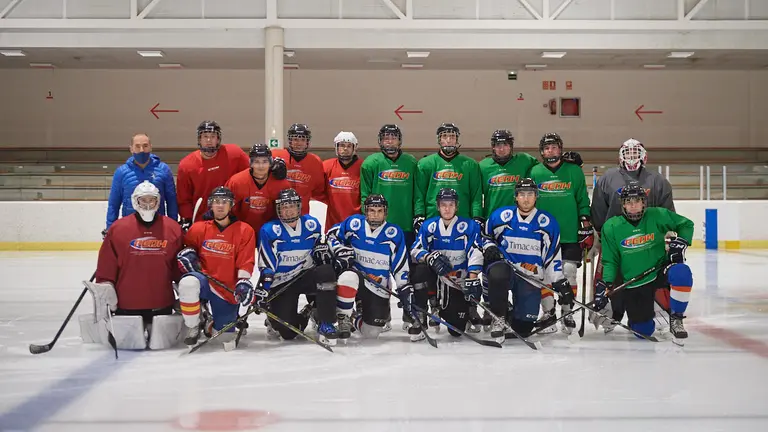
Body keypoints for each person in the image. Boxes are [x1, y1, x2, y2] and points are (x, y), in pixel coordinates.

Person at [81, 181, 185, 350]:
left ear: (158, 201)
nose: (148, 204)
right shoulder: (118, 229)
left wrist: (186, 288)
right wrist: (106, 286)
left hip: (162, 305)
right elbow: (107, 265)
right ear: (135, 201)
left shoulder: (173, 228)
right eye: (143, 200)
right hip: (127, 307)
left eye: (152, 200)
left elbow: (178, 268)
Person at [590, 138, 675, 330]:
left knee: (648, 280)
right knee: (612, 279)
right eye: (627, 153)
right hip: (615, 244)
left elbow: (667, 214)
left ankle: (654, 310)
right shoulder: (607, 179)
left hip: (647, 245)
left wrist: (667, 236)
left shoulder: (658, 181)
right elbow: (598, 209)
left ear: (644, 156)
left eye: (635, 153)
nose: (631, 157)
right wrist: (598, 235)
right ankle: (611, 313)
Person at [590, 184, 693, 339]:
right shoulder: (611, 226)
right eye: (628, 201)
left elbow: (686, 224)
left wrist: (680, 244)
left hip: (659, 271)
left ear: (644, 202)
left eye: (637, 201)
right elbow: (610, 260)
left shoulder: (658, 215)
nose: (633, 205)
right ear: (623, 204)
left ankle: (676, 318)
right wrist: (606, 283)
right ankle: (641, 317)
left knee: (681, 272)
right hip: (635, 282)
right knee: (643, 331)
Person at [483, 178, 573, 343]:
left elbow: (552, 257)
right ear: (516, 197)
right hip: (506, 269)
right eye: (522, 194)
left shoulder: (547, 223)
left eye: (530, 194)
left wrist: (560, 282)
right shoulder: (501, 216)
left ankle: (509, 312)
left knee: (523, 329)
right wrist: (489, 246)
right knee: (498, 273)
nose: (526, 198)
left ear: (536, 196)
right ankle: (498, 317)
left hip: (529, 277)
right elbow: (484, 237)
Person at [528, 133, 593, 335]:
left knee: (568, 272)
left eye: (554, 147)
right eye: (547, 148)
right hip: (543, 234)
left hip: (569, 234)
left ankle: (567, 311)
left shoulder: (574, 171)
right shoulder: (535, 171)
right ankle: (548, 313)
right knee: (544, 275)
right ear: (541, 151)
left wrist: (585, 221)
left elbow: (582, 198)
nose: (550, 151)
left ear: (560, 149)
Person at [257, 188, 339, 346]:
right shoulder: (269, 230)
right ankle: (304, 314)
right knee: (287, 333)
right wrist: (264, 289)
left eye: (292, 206)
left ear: (299, 207)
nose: (288, 211)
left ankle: (326, 322)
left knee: (327, 271)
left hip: (305, 275)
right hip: (282, 281)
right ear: (278, 209)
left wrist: (323, 253)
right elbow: (267, 265)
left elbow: (318, 253)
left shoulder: (311, 224)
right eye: (284, 207)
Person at [176, 186, 256, 346]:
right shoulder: (198, 228)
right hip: (204, 280)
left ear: (231, 205)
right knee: (188, 283)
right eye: (216, 202)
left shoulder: (244, 230)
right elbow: (186, 251)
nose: (220, 205)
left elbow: (246, 260)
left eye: (224, 202)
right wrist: (187, 255)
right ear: (211, 205)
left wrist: (243, 282)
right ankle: (193, 324)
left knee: (224, 336)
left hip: (226, 287)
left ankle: (209, 321)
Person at [328, 194, 411, 342]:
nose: (375, 215)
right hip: (356, 277)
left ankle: (353, 316)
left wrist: (404, 289)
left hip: (378, 285)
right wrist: (339, 250)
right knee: (347, 277)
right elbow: (331, 235)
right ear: (366, 211)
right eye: (372, 210)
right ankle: (343, 318)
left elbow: (400, 265)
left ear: (385, 212)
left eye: (379, 211)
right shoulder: (354, 224)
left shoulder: (394, 233)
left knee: (371, 333)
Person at [177, 121, 287, 227]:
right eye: (205, 136)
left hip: (231, 219)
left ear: (218, 138)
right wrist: (187, 218)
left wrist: (273, 166)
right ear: (199, 139)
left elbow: (254, 168)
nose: (209, 140)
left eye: (213, 136)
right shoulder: (186, 165)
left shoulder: (234, 154)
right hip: (202, 220)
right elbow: (183, 198)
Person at [410, 188, 485, 339]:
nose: (447, 208)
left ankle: (467, 308)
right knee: (420, 271)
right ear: (437, 206)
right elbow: (415, 250)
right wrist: (429, 257)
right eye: (443, 204)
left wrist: (472, 278)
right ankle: (423, 312)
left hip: (457, 279)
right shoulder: (428, 226)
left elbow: (475, 251)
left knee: (456, 330)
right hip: (437, 278)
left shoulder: (469, 226)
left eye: (451, 204)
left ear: (456, 206)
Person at [104, 133, 177, 235]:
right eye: (137, 146)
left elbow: (172, 201)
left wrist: (174, 227)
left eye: (145, 146)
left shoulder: (163, 170)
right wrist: (110, 229)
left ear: (151, 147)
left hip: (158, 227)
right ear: (131, 149)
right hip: (130, 228)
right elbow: (113, 204)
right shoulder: (121, 172)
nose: (142, 150)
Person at [413, 123, 483, 228]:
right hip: (433, 219)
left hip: (463, 220)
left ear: (457, 139)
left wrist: (477, 216)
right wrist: (419, 215)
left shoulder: (470, 164)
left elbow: (476, 196)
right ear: (439, 139)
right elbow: (419, 194)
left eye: (452, 136)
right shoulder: (425, 164)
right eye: (445, 136)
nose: (449, 140)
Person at [360, 124, 419, 246]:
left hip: (406, 224)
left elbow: (417, 194)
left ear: (399, 141)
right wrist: (368, 218)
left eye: (394, 138)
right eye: (386, 138)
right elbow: (364, 194)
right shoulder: (370, 163)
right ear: (380, 141)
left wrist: (418, 215)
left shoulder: (411, 162)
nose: (390, 141)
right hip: (378, 224)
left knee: (405, 262)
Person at [225, 143, 291, 241]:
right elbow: (226, 206)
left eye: (264, 161)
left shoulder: (281, 184)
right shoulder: (236, 182)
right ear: (250, 163)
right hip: (241, 231)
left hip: (272, 231)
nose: (261, 166)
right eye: (256, 162)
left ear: (270, 163)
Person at [270, 123, 325, 217]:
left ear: (307, 142)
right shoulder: (275, 156)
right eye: (295, 139)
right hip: (277, 212)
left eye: (303, 140)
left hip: (302, 214)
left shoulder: (315, 162)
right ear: (290, 140)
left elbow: (318, 190)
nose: (299, 143)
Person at [322, 131, 362, 231]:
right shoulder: (327, 166)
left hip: (357, 223)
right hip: (332, 223)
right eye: (342, 145)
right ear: (336, 147)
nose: (345, 148)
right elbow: (318, 190)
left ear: (354, 148)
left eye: (349, 146)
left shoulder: (363, 166)